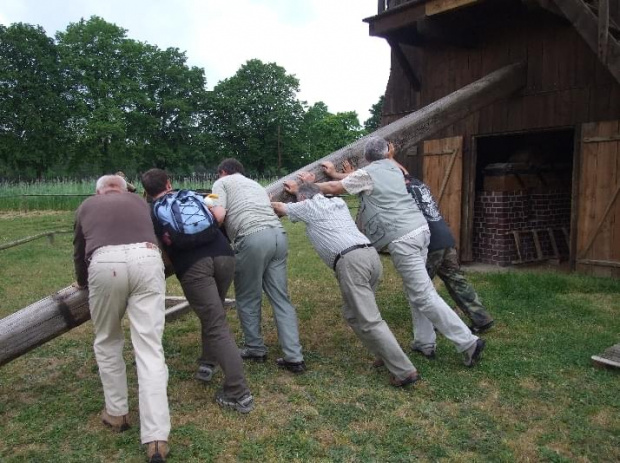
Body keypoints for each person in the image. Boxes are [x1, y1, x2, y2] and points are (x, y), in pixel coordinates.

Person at [303, 136, 486, 366]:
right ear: (387, 152)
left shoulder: (369, 172)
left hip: (403, 237)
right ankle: (424, 342)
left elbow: (334, 188)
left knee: (423, 295)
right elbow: (355, 180)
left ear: (366, 157)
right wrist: (336, 173)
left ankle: (468, 342)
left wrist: (306, 186)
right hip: (420, 231)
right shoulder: (393, 167)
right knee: (417, 291)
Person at [272, 181, 418, 387]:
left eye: (299, 198)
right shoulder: (337, 203)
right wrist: (300, 189)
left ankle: (404, 371)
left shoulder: (308, 206)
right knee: (353, 314)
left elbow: (278, 207)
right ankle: (385, 356)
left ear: (303, 198)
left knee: (370, 320)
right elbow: (314, 195)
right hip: (370, 256)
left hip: (351, 262)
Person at [73, 174, 170, 463]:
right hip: (148, 259)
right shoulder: (140, 203)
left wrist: (82, 281)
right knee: (150, 348)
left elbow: (79, 250)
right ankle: (156, 438)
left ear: (99, 191)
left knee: (107, 339)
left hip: (105, 263)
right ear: (123, 188)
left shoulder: (87, 205)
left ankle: (117, 412)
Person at [141, 168, 254, 413]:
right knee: (214, 315)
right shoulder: (191, 194)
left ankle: (238, 392)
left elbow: (158, 246)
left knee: (215, 323)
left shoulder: (151, 211)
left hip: (193, 266)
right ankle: (208, 362)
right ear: (169, 183)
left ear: (147, 192)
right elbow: (219, 214)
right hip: (224, 255)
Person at [343, 157, 495, 334]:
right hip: (445, 238)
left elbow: (368, 188)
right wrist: (389, 158)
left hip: (428, 242)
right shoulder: (417, 184)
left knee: (421, 291)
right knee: (457, 281)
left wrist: (351, 176)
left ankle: (437, 325)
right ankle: (482, 318)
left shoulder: (398, 189)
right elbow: (401, 170)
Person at [212, 158, 305, 373]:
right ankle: (294, 357)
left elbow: (220, 214)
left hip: (251, 237)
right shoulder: (256, 185)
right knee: (281, 297)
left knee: (247, 296)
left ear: (223, 172)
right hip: (278, 236)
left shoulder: (222, 183)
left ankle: (255, 348)